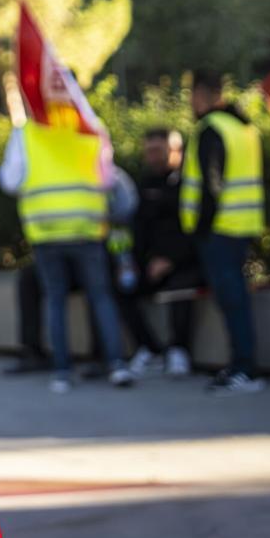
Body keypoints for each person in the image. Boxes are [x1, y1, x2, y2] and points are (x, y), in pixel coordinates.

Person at [0, 119, 133, 393]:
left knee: (55, 300)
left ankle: (62, 372)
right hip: (88, 228)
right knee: (100, 296)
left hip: (46, 231)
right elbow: (109, 178)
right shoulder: (91, 127)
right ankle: (116, 364)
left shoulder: (26, 133)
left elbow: (10, 181)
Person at [181, 70, 266, 395]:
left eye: (192, 94)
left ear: (203, 95)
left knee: (233, 301)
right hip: (242, 225)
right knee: (235, 300)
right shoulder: (243, 127)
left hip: (219, 230)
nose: (191, 102)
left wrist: (199, 230)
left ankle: (245, 368)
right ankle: (241, 365)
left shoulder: (211, 129)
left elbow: (209, 186)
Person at [119, 128, 201, 379]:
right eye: (148, 151)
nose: (152, 157)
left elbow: (195, 231)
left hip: (184, 263)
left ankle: (179, 350)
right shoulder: (143, 184)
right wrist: (132, 262)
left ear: (175, 151)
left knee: (180, 287)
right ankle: (150, 349)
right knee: (121, 288)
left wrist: (170, 259)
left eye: (158, 151)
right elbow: (138, 229)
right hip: (149, 263)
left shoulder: (189, 183)